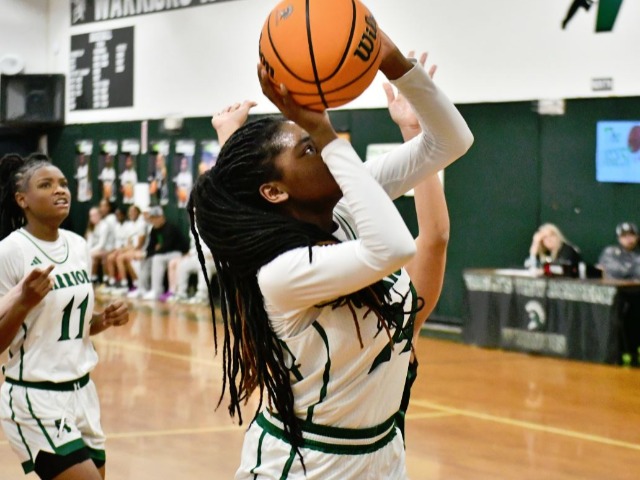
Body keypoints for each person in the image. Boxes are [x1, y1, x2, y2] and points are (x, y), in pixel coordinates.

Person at [189, 30, 473, 479]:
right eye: (309, 149)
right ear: (275, 191)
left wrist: (394, 63)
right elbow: (396, 247)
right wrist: (322, 131)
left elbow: (451, 142)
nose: (325, 148)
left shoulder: (345, 209)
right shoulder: (282, 272)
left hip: (383, 454)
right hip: (306, 462)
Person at [0, 153, 129, 480]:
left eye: (63, 184)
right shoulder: (10, 251)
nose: (60, 190)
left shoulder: (78, 245)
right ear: (22, 200)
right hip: (35, 396)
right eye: (46, 185)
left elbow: (72, 326)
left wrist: (104, 319)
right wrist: (23, 303)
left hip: (83, 394)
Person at [127, 206, 189, 301]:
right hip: (164, 253)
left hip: (178, 253)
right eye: (151, 218)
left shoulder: (170, 228)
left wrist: (149, 253)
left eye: (154, 218)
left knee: (157, 258)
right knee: (145, 258)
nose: (152, 221)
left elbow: (166, 247)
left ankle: (157, 290)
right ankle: (142, 288)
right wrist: (145, 254)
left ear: (161, 217)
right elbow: (151, 247)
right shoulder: (154, 229)